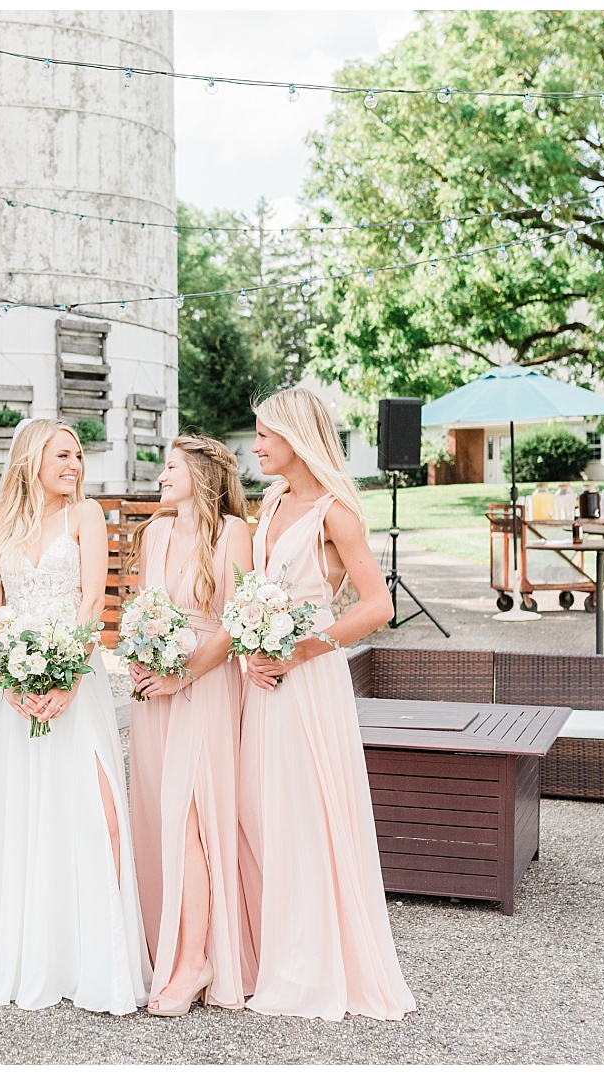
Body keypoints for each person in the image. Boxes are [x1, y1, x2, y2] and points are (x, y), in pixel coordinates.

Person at [236, 386, 417, 1021]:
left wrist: (299, 651)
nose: (255, 446)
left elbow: (377, 606)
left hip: (308, 680)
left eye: (264, 435)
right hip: (260, 677)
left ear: (296, 437)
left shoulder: (335, 512)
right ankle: (274, 951)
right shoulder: (272, 501)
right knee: (264, 808)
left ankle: (311, 967)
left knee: (308, 811)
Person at [0, 419, 150, 1016]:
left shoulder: (85, 517)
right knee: (21, 810)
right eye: (62, 454)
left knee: (94, 807)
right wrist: (14, 678)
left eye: (77, 455)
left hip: (78, 678)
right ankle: (29, 956)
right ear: (30, 459)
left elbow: (95, 601)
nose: (74, 465)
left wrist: (65, 676)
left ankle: (100, 959)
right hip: (9, 688)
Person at [127, 436, 253, 1015]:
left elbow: (234, 625)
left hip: (202, 688)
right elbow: (140, 608)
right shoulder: (154, 533)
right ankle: (169, 943)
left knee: (190, 823)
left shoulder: (231, 534)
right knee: (158, 817)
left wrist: (183, 677)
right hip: (153, 692)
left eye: (170, 467)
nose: (160, 476)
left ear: (201, 473)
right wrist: (138, 652)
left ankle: (194, 960)